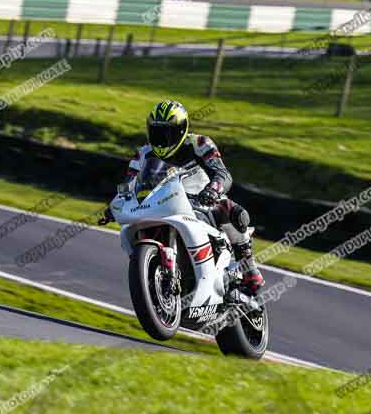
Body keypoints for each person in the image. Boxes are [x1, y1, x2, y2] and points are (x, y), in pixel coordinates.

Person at [100, 99, 265, 295]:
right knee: (131, 227)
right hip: (160, 203)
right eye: (157, 132)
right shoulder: (143, 155)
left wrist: (213, 189)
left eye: (168, 133)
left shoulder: (199, 143)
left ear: (181, 130)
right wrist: (113, 208)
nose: (162, 139)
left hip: (201, 200)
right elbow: (129, 184)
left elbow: (222, 173)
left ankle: (248, 267)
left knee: (234, 212)